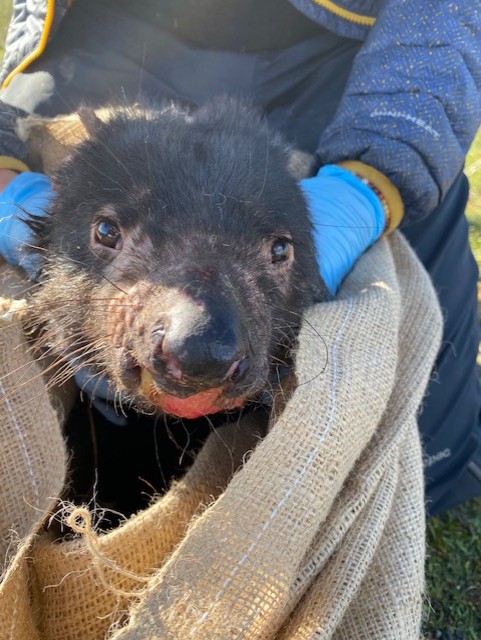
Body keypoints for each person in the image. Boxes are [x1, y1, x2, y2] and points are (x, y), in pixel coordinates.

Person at [0, 0, 479, 515]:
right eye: (110, 234)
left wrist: (372, 182)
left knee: (428, 459)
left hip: (344, 51)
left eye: (277, 252)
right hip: (112, 31)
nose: (191, 347)